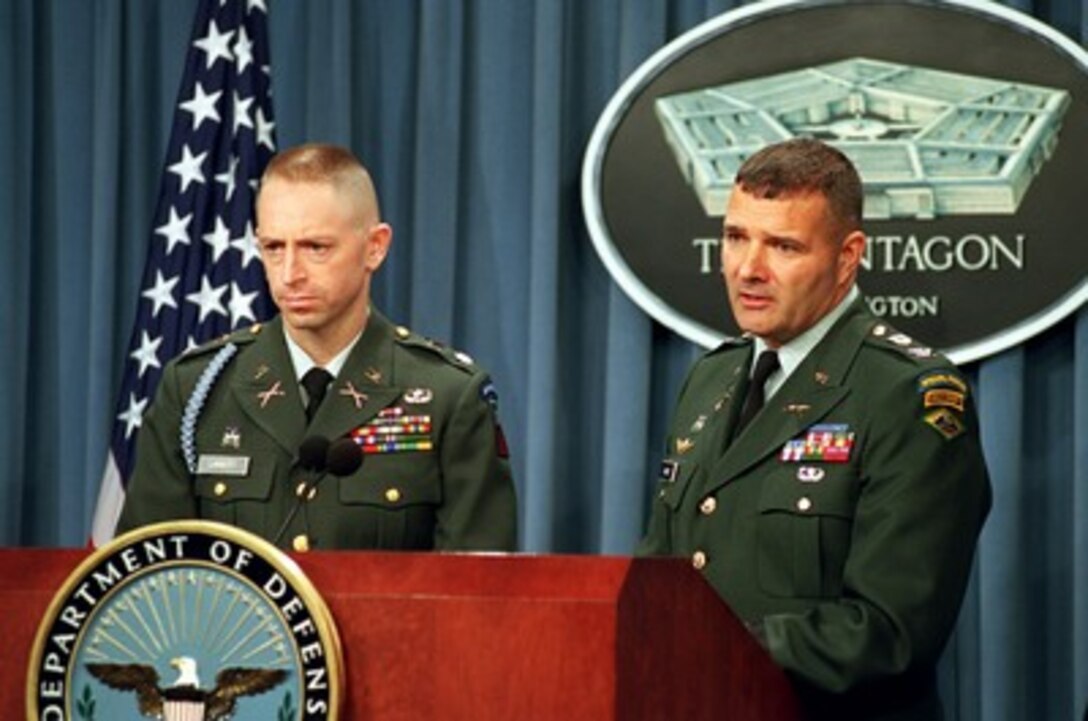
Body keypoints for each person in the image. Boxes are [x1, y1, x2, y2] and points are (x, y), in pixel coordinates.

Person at [637, 138, 991, 720]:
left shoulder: (908, 394)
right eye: (734, 238)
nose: (748, 269)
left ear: (848, 256)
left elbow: (890, 630)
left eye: (783, 246)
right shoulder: (712, 376)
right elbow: (663, 571)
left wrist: (717, 645)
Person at [117, 143, 517, 552]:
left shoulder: (448, 398)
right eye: (273, 248)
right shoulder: (195, 391)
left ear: (375, 247)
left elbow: (476, 600)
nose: (290, 274)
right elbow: (147, 584)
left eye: (315, 248)